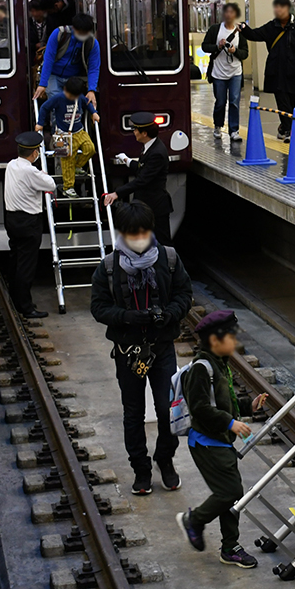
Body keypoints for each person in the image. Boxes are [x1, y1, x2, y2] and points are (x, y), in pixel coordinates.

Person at [90, 201, 193, 495]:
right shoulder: (109, 267)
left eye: (143, 232)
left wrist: (170, 313)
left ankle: (165, 458)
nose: (138, 238)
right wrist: (126, 318)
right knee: (133, 412)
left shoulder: (169, 259)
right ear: (123, 233)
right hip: (128, 352)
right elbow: (98, 307)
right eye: (132, 233)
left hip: (161, 348)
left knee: (167, 409)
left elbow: (184, 294)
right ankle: (141, 468)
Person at [177, 310, 266, 569]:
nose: (236, 342)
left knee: (230, 495)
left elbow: (222, 403)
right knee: (230, 492)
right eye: (232, 336)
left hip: (220, 441)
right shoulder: (201, 368)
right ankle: (194, 520)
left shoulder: (219, 364)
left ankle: (230, 547)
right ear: (215, 340)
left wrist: (249, 407)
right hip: (206, 442)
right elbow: (200, 407)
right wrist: (230, 423)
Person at [241, 0, 295, 143]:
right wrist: (244, 29)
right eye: (276, 8)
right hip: (276, 71)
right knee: (282, 101)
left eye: (281, 8)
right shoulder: (271, 27)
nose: (278, 11)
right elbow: (255, 34)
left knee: (291, 102)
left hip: (293, 72)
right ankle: (289, 131)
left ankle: (283, 128)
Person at [3, 131, 57, 319]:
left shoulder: (11, 165)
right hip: (29, 222)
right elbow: (50, 184)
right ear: (34, 153)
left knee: (16, 260)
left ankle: (16, 299)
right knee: (27, 265)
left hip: (11, 219)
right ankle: (26, 307)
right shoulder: (30, 170)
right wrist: (42, 172)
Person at [103, 112, 174, 245]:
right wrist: (127, 160)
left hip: (155, 206)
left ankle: (167, 265)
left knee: (162, 242)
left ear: (144, 133)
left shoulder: (157, 153)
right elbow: (143, 168)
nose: (134, 132)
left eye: (136, 129)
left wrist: (117, 193)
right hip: (147, 205)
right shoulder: (151, 146)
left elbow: (143, 179)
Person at [36, 76, 100, 198]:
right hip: (62, 134)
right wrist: (40, 123)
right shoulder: (58, 98)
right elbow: (44, 108)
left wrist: (94, 113)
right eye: (70, 95)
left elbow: (87, 104)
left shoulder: (80, 97)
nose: (72, 98)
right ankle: (68, 187)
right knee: (66, 159)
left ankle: (77, 166)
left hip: (79, 131)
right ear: (64, 89)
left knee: (90, 149)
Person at [202, 2, 248, 142]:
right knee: (220, 101)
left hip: (235, 72)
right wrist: (218, 46)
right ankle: (218, 126)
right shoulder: (215, 29)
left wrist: (235, 51)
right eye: (226, 12)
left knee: (234, 101)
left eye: (232, 13)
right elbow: (205, 46)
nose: (229, 15)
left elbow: (245, 53)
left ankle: (234, 130)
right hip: (218, 72)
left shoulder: (240, 33)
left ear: (236, 15)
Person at [35, 13, 100, 104]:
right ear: (73, 28)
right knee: (56, 103)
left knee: (75, 106)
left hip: (75, 78)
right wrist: (43, 83)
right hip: (53, 74)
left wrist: (91, 89)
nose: (83, 36)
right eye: (80, 32)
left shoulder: (92, 43)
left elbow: (93, 67)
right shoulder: (59, 34)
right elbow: (48, 60)